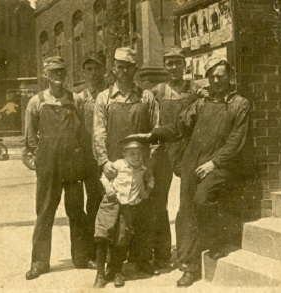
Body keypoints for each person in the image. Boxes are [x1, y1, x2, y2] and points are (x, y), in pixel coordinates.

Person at [130, 58, 249, 287]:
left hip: (217, 165)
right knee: (185, 213)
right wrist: (153, 135)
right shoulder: (201, 103)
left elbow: (236, 141)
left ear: (229, 77)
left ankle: (215, 241)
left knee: (202, 200)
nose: (217, 80)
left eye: (221, 75)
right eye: (213, 76)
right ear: (208, 78)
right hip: (192, 162)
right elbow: (179, 126)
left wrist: (214, 162)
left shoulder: (239, 104)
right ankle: (189, 267)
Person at [93, 47, 160, 277]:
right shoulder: (104, 98)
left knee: (142, 214)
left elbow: (156, 132)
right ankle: (115, 266)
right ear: (114, 69)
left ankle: (142, 259)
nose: (123, 71)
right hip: (116, 168)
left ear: (135, 69)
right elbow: (98, 132)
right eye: (119, 66)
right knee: (116, 218)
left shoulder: (147, 97)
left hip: (140, 168)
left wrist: (148, 162)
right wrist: (103, 161)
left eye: (128, 67)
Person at [25, 56, 91, 280]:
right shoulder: (37, 101)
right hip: (48, 165)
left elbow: (83, 132)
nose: (58, 76)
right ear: (46, 75)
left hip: (72, 164)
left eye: (61, 71)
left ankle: (81, 257)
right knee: (44, 212)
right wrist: (39, 159)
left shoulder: (76, 100)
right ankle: (39, 262)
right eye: (53, 72)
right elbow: (31, 138)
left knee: (76, 211)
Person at [148, 47, 198, 272]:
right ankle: (161, 254)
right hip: (164, 152)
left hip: (187, 151)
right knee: (159, 204)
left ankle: (186, 253)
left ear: (184, 64)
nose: (174, 67)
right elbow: (152, 123)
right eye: (169, 63)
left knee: (186, 203)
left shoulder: (194, 90)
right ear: (164, 66)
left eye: (178, 62)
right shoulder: (157, 91)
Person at [93, 137, 154, 288]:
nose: (136, 157)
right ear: (124, 154)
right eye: (131, 153)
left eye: (139, 154)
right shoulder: (118, 165)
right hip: (111, 203)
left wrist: (147, 191)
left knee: (122, 238)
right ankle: (100, 274)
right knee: (103, 236)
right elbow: (104, 177)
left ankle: (118, 271)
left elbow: (150, 179)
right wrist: (108, 188)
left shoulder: (144, 168)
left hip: (128, 207)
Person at [79, 51, 108, 268]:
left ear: (103, 70)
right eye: (88, 69)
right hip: (89, 161)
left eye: (96, 68)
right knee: (93, 204)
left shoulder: (109, 95)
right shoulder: (80, 99)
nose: (93, 73)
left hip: (108, 159)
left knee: (113, 202)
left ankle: (115, 250)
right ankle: (93, 253)